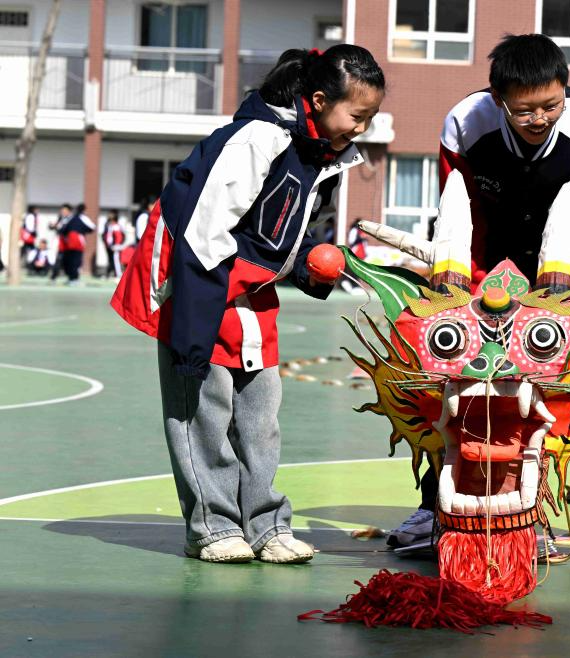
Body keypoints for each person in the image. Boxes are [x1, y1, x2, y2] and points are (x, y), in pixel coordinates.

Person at [387, 33, 570, 549]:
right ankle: (436, 507)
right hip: (489, 268)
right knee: (454, 384)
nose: (540, 118)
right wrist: (465, 303)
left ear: (565, 89)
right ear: (499, 99)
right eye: (524, 110)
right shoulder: (465, 124)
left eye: (551, 105)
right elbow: (459, 215)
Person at [111, 45, 385, 564]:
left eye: (369, 117)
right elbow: (202, 236)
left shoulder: (322, 155)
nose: (362, 128)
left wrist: (308, 266)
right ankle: (212, 528)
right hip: (200, 289)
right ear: (320, 100)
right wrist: (192, 335)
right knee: (202, 416)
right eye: (358, 115)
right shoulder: (258, 139)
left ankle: (266, 526)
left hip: (253, 296)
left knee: (261, 420)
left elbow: (280, 234)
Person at [57, 203, 95, 285]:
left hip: (72, 241)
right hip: (75, 241)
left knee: (73, 260)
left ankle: (73, 278)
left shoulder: (72, 218)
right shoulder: (80, 217)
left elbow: (63, 229)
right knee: (73, 260)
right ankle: (73, 278)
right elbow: (92, 227)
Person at [49, 204, 72, 282]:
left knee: (67, 260)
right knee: (59, 258)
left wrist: (58, 227)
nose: (63, 212)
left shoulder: (71, 219)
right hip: (60, 242)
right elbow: (54, 227)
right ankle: (54, 276)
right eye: (62, 210)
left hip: (67, 242)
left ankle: (71, 277)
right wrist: (52, 226)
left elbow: (65, 229)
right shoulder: (60, 218)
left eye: (65, 211)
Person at [102, 211, 127, 278]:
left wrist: (112, 245)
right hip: (115, 246)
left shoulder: (113, 226)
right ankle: (114, 273)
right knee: (114, 260)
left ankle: (117, 274)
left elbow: (110, 237)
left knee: (116, 260)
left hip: (115, 246)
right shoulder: (118, 226)